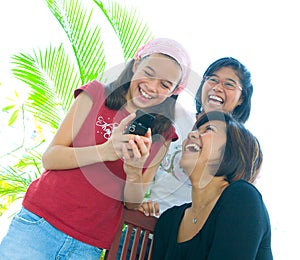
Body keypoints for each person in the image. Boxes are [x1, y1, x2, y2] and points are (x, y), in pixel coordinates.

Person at [0, 38, 191, 259]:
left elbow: (132, 201)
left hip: (88, 245)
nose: (152, 86)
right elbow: (51, 158)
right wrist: (105, 151)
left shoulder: (163, 135)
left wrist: (133, 170)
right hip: (39, 225)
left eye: (165, 84)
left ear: (174, 91)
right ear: (135, 64)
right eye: (148, 72)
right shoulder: (96, 94)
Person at [139, 57, 253, 216]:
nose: (217, 87)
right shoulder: (175, 114)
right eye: (212, 80)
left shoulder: (241, 148)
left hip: (189, 235)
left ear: (241, 98)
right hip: (145, 222)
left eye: (228, 84)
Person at [152, 111, 273, 259]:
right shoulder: (168, 220)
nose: (192, 135)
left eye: (209, 129)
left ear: (231, 150)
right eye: (194, 130)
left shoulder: (242, 198)